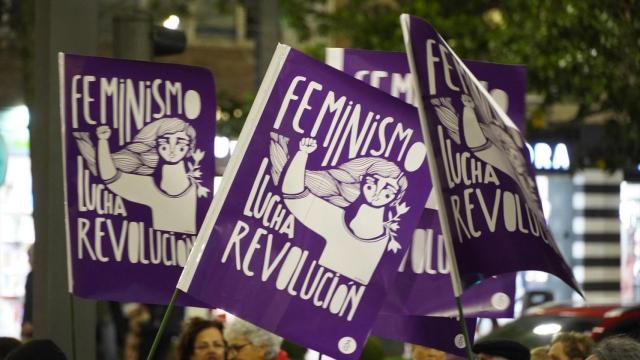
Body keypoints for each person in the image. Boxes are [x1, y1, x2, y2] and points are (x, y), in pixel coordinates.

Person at [279, 136, 408, 285]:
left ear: (396, 199)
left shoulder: (391, 241)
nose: (377, 193)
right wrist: (303, 153)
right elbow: (293, 196)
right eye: (372, 184)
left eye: (387, 191)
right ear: (362, 182)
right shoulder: (335, 219)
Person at [75, 117, 209, 234]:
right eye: (166, 141)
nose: (172, 148)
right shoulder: (150, 189)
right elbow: (111, 177)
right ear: (156, 146)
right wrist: (103, 141)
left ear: (189, 149)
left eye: (180, 142)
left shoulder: (200, 190)